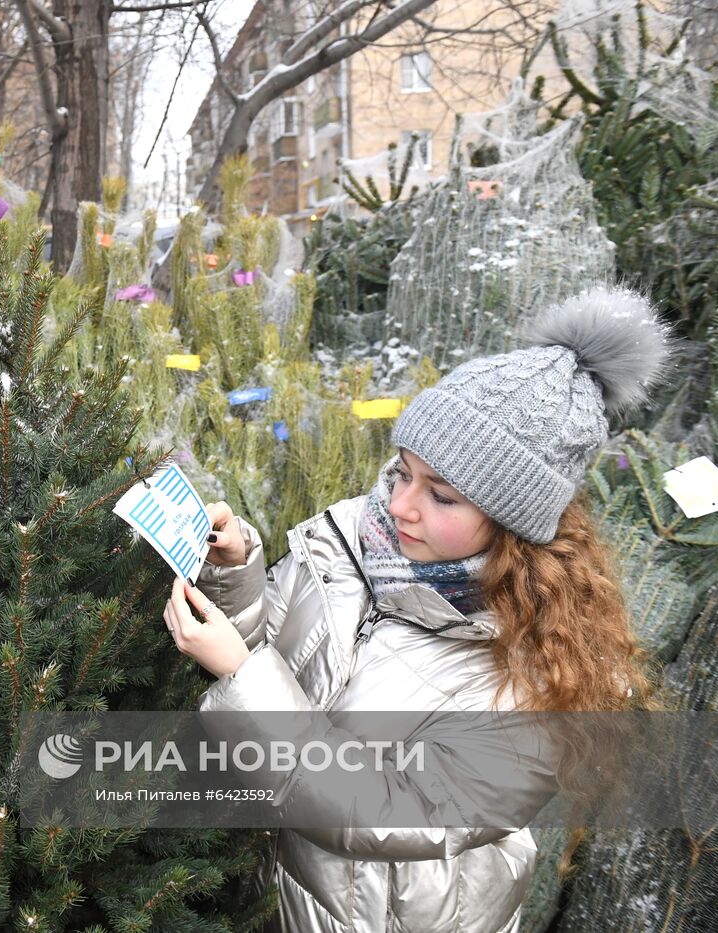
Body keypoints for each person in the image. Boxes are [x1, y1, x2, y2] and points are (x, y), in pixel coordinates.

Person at [162, 286, 667, 933]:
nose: (400, 504)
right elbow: (275, 650)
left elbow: (385, 811)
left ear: (514, 524)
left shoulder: (535, 682)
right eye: (403, 471)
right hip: (285, 892)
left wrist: (242, 677)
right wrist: (234, 572)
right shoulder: (355, 539)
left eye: (442, 495)